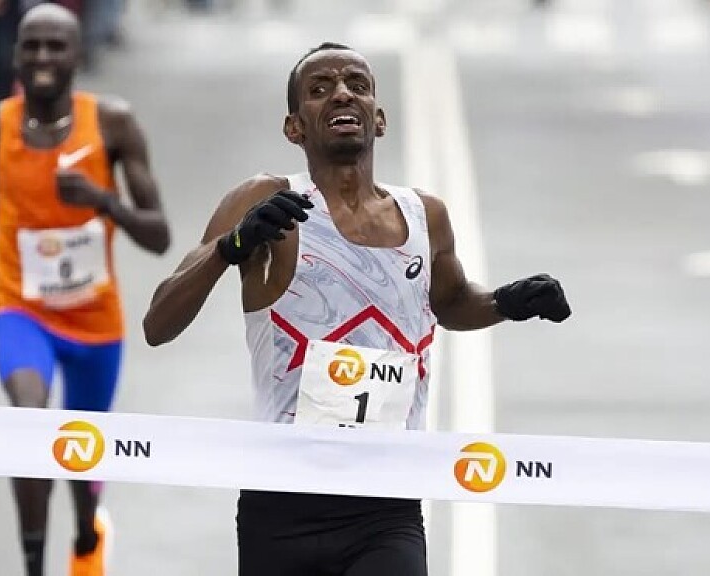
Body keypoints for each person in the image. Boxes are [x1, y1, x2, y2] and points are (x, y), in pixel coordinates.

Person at [142, 42, 571, 575]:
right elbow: (158, 323)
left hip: (386, 503)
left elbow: (451, 302)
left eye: (357, 85)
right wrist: (231, 247)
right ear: (294, 127)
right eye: (320, 89)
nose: (342, 94)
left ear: (379, 118)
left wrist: (506, 302)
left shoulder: (424, 215)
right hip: (283, 500)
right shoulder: (265, 200)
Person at [0, 4, 170, 576]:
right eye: (32, 45)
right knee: (30, 424)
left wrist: (103, 201)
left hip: (95, 320)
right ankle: (33, 565)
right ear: (16, 54)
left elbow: (159, 235)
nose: (43, 56)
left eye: (56, 45)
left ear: (77, 53)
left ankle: (86, 534)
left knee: (80, 454)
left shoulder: (113, 124)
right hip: (21, 309)